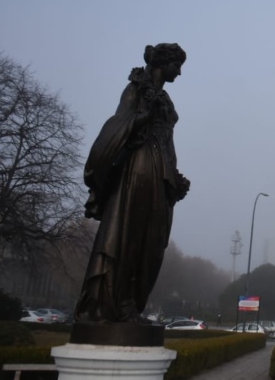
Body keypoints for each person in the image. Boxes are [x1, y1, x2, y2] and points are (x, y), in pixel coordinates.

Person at [75, 43, 190, 324]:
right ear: (164, 62)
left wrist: (174, 178)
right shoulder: (135, 89)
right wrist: (142, 118)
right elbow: (119, 124)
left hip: (160, 168)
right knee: (130, 234)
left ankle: (132, 304)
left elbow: (167, 140)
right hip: (138, 167)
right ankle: (118, 304)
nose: (180, 72)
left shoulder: (164, 98)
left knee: (152, 240)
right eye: (178, 65)